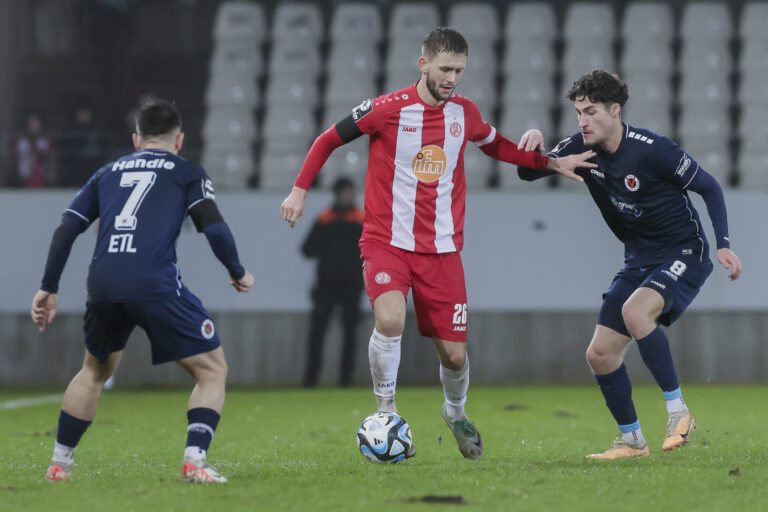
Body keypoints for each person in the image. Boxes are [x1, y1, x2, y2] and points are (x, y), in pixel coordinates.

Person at [280, 27, 595, 459]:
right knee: (390, 321)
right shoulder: (385, 109)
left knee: (455, 357)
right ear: (423, 64)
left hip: (443, 251)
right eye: (445, 68)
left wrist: (550, 162)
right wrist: (299, 189)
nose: (452, 77)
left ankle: (455, 411)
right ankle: (386, 413)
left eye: (460, 70)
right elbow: (327, 140)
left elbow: (498, 147)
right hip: (386, 241)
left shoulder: (464, 113)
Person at [517, 70, 742, 459]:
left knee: (636, 312)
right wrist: (530, 148)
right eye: (578, 113)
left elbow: (709, 187)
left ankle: (678, 413)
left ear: (615, 110)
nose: (582, 121)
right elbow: (527, 173)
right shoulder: (579, 148)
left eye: (590, 112)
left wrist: (723, 244)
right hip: (639, 257)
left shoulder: (653, 149)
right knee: (600, 354)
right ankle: (632, 441)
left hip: (683, 252)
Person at [31, 100, 254, 483]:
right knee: (212, 369)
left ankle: (59, 463)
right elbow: (212, 226)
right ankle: (194, 462)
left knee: (93, 371)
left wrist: (48, 287)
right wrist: (237, 271)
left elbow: (67, 228)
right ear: (179, 139)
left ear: (137, 139)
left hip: (103, 283)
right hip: (154, 283)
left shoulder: (106, 172)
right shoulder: (186, 172)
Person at [301, 176, 365, 388]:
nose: (349, 196)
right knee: (317, 332)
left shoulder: (361, 219)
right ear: (337, 194)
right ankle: (310, 380)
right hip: (326, 285)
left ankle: (345, 381)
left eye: (351, 191)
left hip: (352, 285)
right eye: (345, 191)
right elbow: (307, 249)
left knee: (350, 333)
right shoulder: (324, 219)